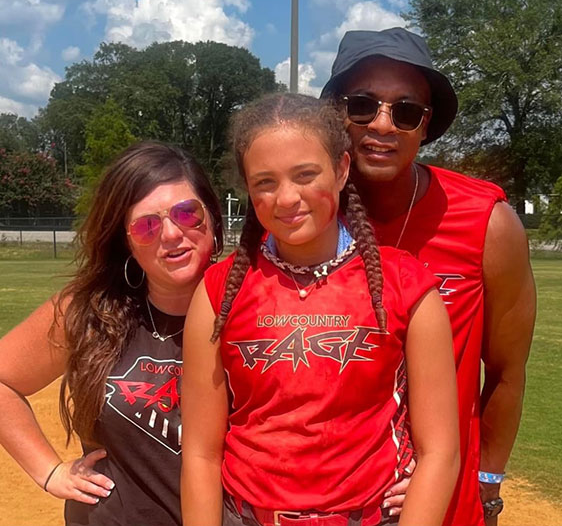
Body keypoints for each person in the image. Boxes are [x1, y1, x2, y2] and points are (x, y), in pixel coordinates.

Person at [181, 93, 460, 526]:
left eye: (306, 175)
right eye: (265, 182)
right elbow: (200, 452)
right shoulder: (219, 292)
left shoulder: (405, 284)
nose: (287, 198)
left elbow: (440, 452)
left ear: (342, 170)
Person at [321, 28, 536, 526]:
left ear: (425, 125)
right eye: (362, 105)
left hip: (445, 506)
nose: (382, 124)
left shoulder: (486, 221)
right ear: (336, 114)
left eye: (405, 111)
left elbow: (506, 373)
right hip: (326, 501)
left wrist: (488, 485)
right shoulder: (307, 218)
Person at [0, 141, 223, 526]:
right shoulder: (90, 311)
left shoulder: (255, 305)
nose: (170, 234)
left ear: (213, 219)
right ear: (127, 240)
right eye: (146, 224)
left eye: (187, 213)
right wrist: (49, 472)